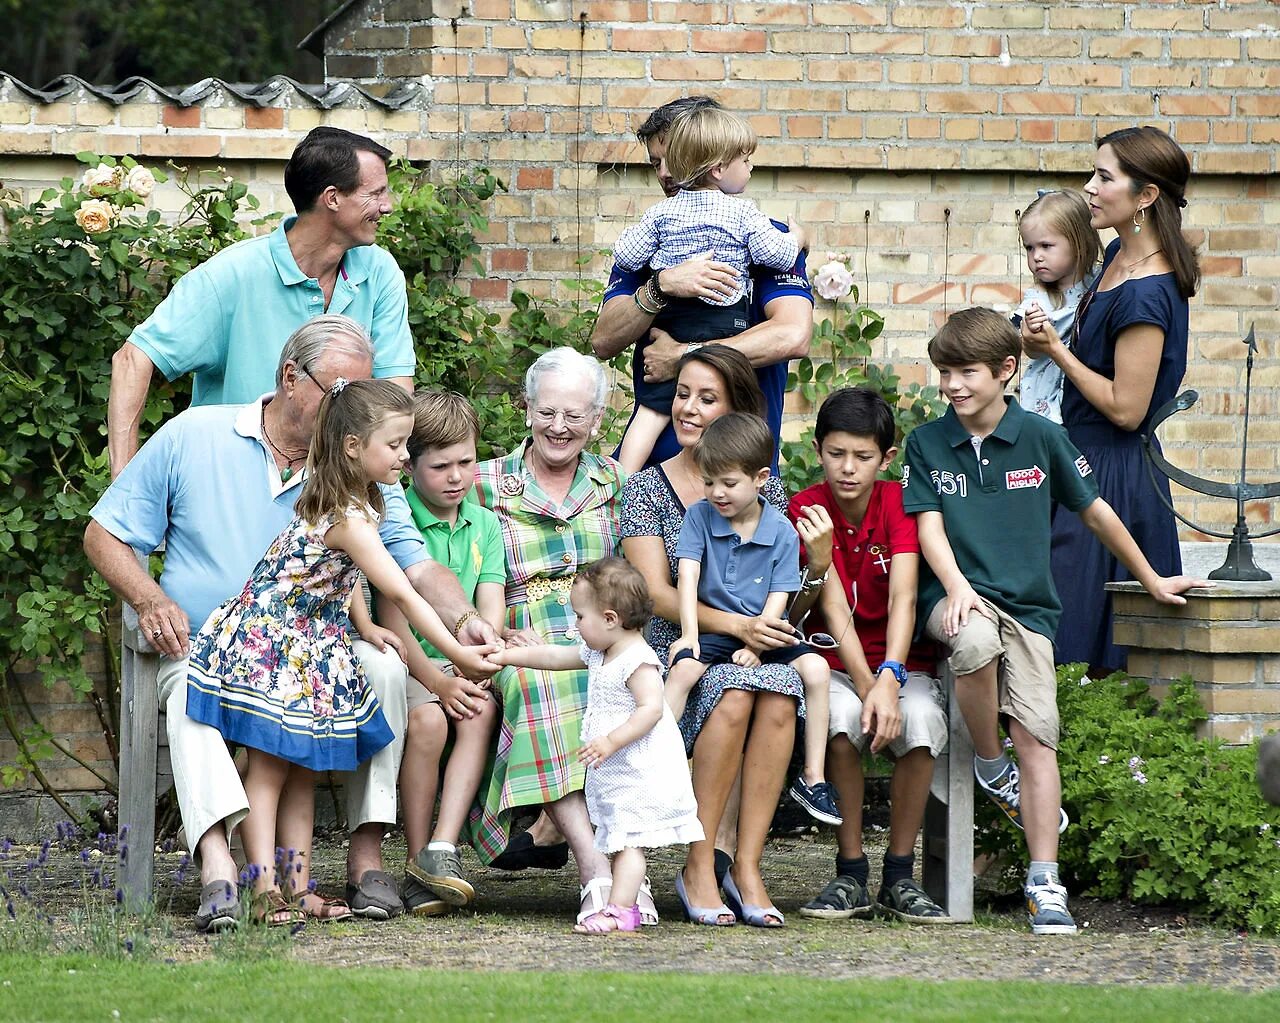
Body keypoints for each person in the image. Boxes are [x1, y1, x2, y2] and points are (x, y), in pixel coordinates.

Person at [85, 316, 498, 930]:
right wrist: (148, 598)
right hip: (215, 641)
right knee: (200, 707)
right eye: (337, 392)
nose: (347, 408)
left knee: (381, 669)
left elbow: (406, 574)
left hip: (311, 646)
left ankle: (362, 858)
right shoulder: (196, 435)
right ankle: (227, 873)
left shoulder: (351, 478)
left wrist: (463, 620)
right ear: (289, 377)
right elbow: (104, 535)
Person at [903, 307, 1206, 934]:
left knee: (1040, 737)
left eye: (966, 373)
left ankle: (1047, 882)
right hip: (955, 600)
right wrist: (957, 586)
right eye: (945, 374)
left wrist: (1150, 577)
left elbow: (1094, 511)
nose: (953, 386)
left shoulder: (1042, 439)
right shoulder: (928, 442)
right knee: (976, 643)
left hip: (1031, 609)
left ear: (1007, 370)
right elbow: (928, 523)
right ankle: (991, 763)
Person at [185, 380, 484, 924]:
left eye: (405, 443)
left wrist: (364, 623)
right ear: (353, 447)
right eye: (394, 445)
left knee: (303, 766)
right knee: (271, 768)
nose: (405, 455)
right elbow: (399, 589)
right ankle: (262, 886)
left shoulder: (358, 498)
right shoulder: (346, 513)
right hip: (271, 642)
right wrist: (455, 657)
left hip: (311, 641)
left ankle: (298, 888)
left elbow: (335, 576)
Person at [107, 126, 414, 476]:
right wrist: (124, 488)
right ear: (332, 198)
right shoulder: (233, 274)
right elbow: (133, 359)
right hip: (227, 484)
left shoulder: (379, 270)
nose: (387, 206)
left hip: (335, 488)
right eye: (375, 194)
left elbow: (394, 397)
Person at [622, 345, 804, 929]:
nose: (689, 409)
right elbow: (653, 595)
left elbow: (782, 582)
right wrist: (734, 626)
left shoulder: (761, 488)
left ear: (736, 412)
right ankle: (700, 865)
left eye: (707, 398)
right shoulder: (646, 490)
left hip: (751, 644)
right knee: (733, 691)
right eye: (682, 394)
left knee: (777, 688)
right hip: (675, 646)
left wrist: (811, 570)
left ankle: (747, 865)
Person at [468, 348, 637, 927]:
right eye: (547, 413)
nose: (559, 428)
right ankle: (596, 867)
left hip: (604, 631)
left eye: (575, 415)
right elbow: (458, 554)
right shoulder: (486, 481)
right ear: (527, 410)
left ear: (596, 421)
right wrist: (485, 620)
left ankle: (582, 846)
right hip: (519, 627)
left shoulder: (614, 482)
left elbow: (635, 574)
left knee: (614, 690)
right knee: (542, 684)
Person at [1021, 126, 1199, 669]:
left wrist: (1056, 351)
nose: (1089, 188)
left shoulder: (1147, 292)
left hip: (1113, 475)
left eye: (1104, 177)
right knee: (1056, 625)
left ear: (1145, 196)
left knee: (1080, 642)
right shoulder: (1120, 253)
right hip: (1077, 459)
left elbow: (1127, 408)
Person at [788, 387, 952, 923]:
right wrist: (867, 687)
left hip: (903, 661)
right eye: (836, 454)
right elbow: (831, 609)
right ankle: (851, 870)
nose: (848, 469)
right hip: (836, 663)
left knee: (923, 720)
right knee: (837, 720)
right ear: (818, 450)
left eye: (862, 457)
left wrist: (890, 678)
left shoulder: (900, 502)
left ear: (886, 458)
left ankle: (899, 874)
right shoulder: (806, 507)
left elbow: (905, 596)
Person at [591, 95, 813, 474]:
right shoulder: (657, 236)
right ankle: (620, 488)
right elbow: (603, 340)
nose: (664, 173)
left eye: (672, 158)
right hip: (658, 473)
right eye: (656, 163)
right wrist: (661, 286)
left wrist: (684, 355)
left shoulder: (759, 234)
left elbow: (792, 335)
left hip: (741, 470)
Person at [492, 559, 703, 934]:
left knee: (629, 845)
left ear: (609, 618)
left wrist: (611, 739)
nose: (575, 626)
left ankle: (620, 911)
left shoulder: (638, 660)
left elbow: (652, 709)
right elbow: (554, 657)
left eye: (579, 617)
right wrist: (507, 657)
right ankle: (620, 907)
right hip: (618, 768)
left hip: (639, 768)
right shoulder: (601, 652)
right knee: (621, 842)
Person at [667, 413, 837, 827]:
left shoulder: (781, 529)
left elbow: (781, 594)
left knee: (816, 668)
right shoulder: (699, 517)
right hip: (716, 627)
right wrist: (689, 632)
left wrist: (756, 646)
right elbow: (687, 576)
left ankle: (813, 778)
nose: (716, 493)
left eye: (728, 483)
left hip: (765, 625)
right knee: (684, 670)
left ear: (761, 477)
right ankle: (659, 763)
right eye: (709, 483)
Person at [378, 390, 504, 916]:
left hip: (461, 661)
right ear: (409, 465)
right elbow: (393, 625)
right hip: (410, 662)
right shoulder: (394, 519)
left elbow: (489, 605)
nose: (456, 477)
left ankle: (442, 849)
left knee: (481, 708)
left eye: (467, 463)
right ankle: (413, 864)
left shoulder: (486, 524)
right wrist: (437, 677)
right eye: (441, 466)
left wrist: (481, 652)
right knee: (429, 724)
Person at [1013, 190, 1101, 424]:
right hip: (1047, 400)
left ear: (1078, 241)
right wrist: (1031, 332)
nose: (1036, 257)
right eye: (1029, 248)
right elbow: (1030, 349)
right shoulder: (1037, 299)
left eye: (1046, 246)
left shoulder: (1102, 281)